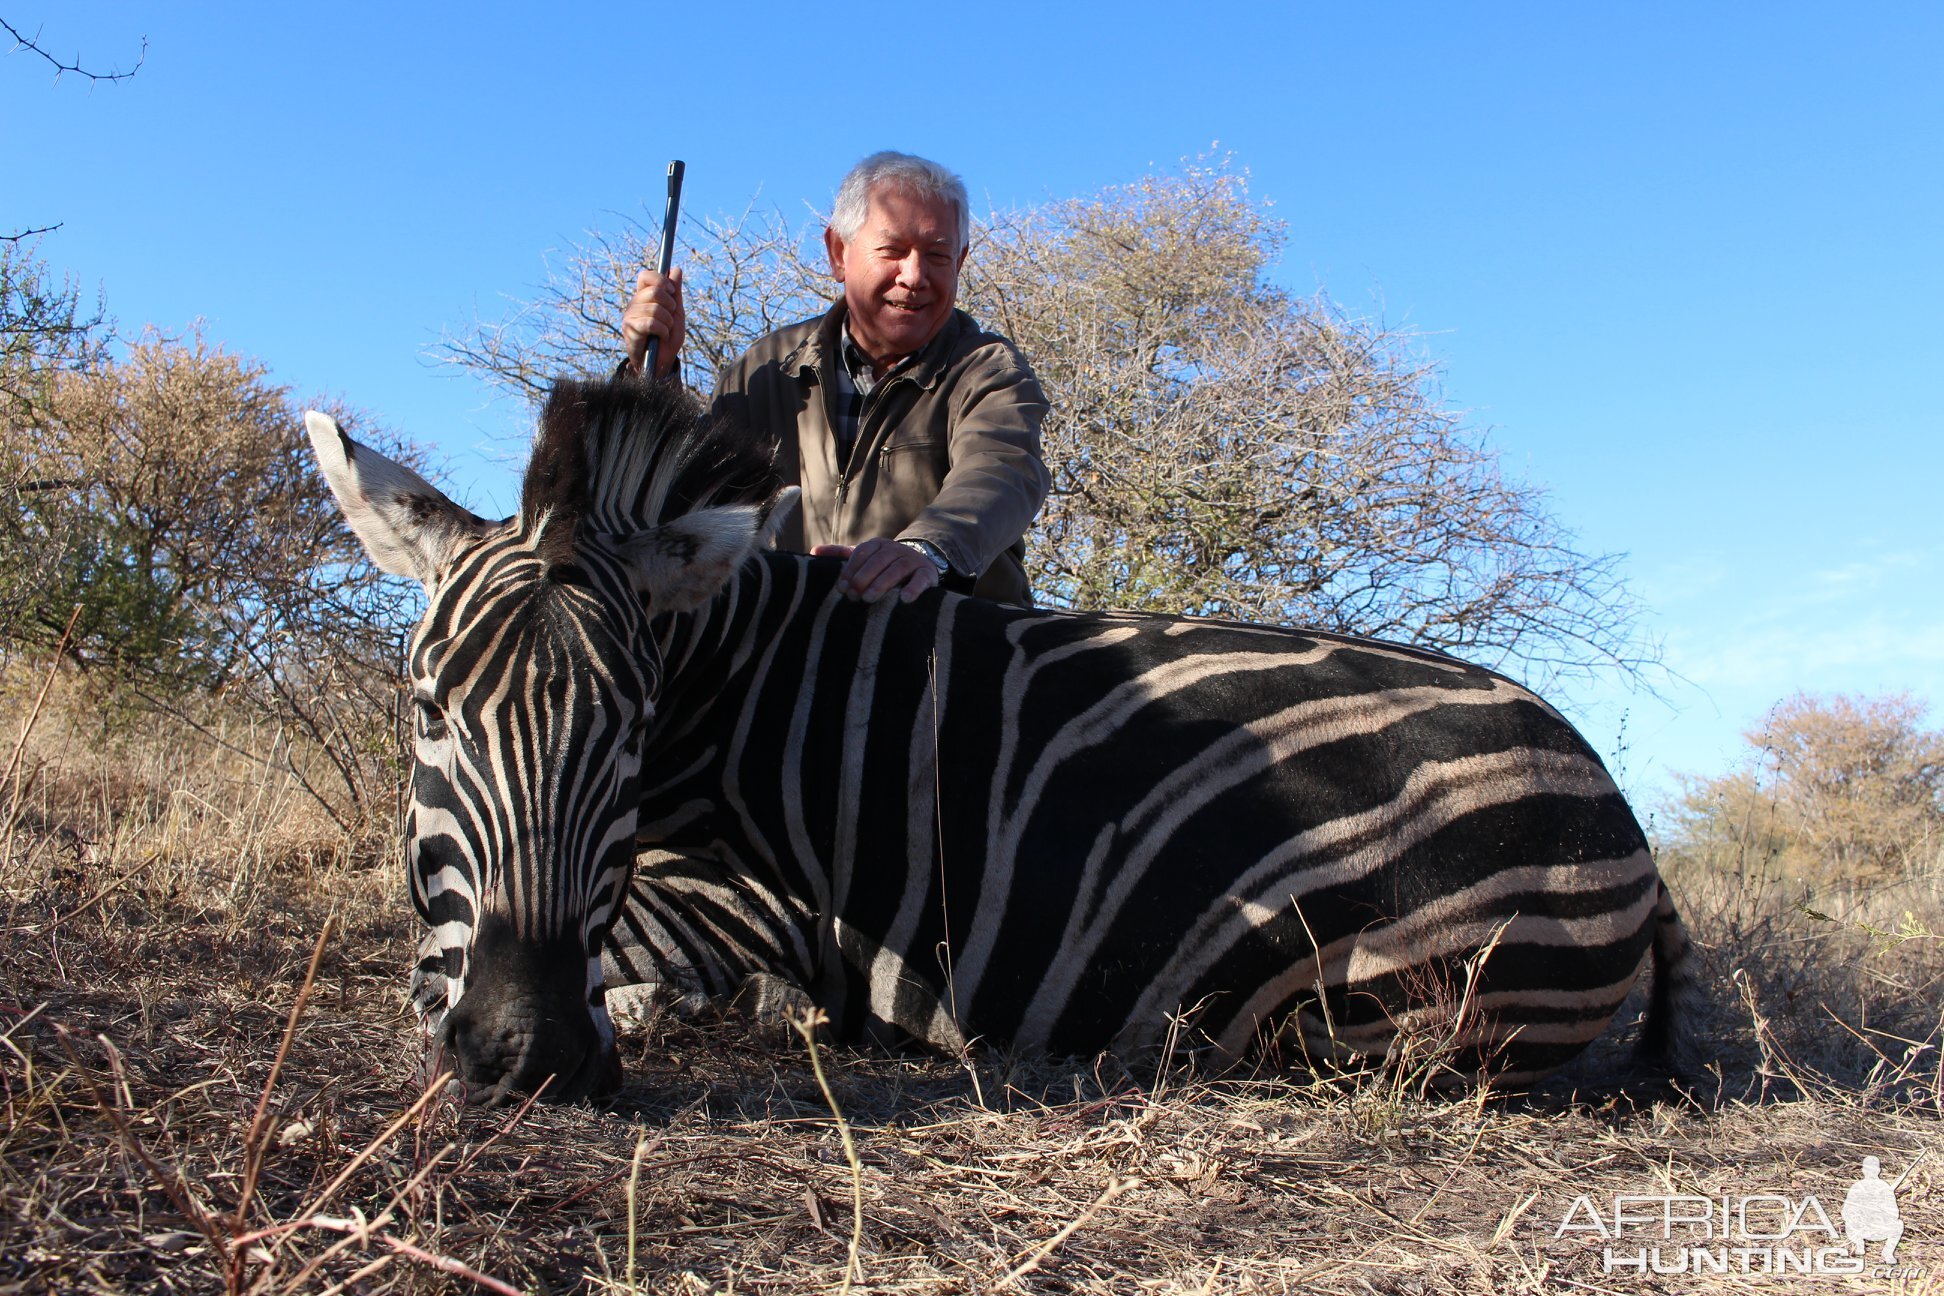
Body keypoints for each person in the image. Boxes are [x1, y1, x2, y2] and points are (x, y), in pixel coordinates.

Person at [622, 152, 1050, 606]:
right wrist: (653, 375)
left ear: (960, 261)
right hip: (794, 648)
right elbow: (687, 498)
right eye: (892, 250)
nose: (915, 276)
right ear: (838, 253)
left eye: (938, 255)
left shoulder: (989, 369)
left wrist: (926, 550)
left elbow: (1003, 469)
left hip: (946, 652)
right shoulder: (764, 367)